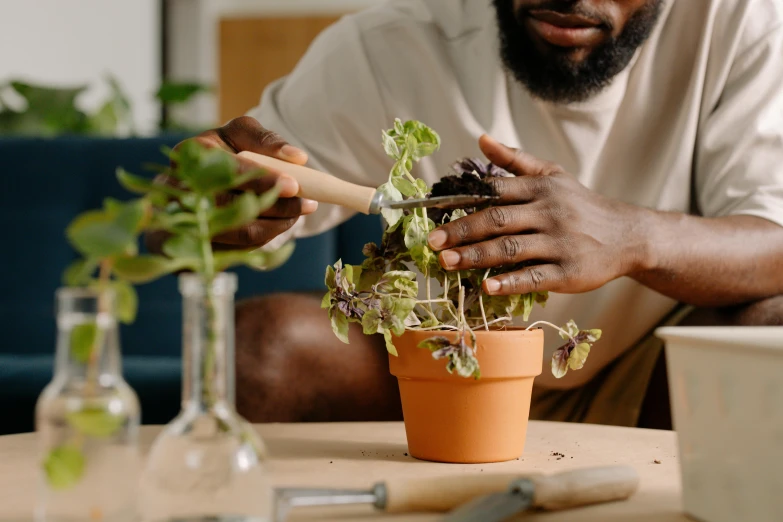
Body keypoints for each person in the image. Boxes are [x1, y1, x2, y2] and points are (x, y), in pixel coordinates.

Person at [160, 0, 783, 428]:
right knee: (264, 348)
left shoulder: (742, 24)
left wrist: (630, 236)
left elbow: (774, 243)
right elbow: (217, 198)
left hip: (646, 378)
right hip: (436, 369)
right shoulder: (391, 42)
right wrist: (198, 204)